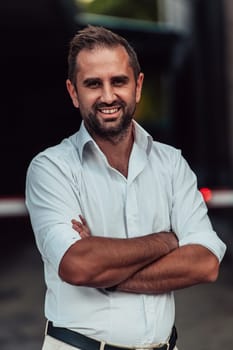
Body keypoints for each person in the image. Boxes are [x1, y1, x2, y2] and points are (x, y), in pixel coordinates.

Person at [25, 25, 226, 350]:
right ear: (74, 92)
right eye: (93, 84)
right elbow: (79, 264)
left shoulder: (171, 164)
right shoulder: (51, 168)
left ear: (138, 86)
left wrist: (106, 273)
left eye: (118, 81)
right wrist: (168, 240)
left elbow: (204, 263)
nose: (107, 96)